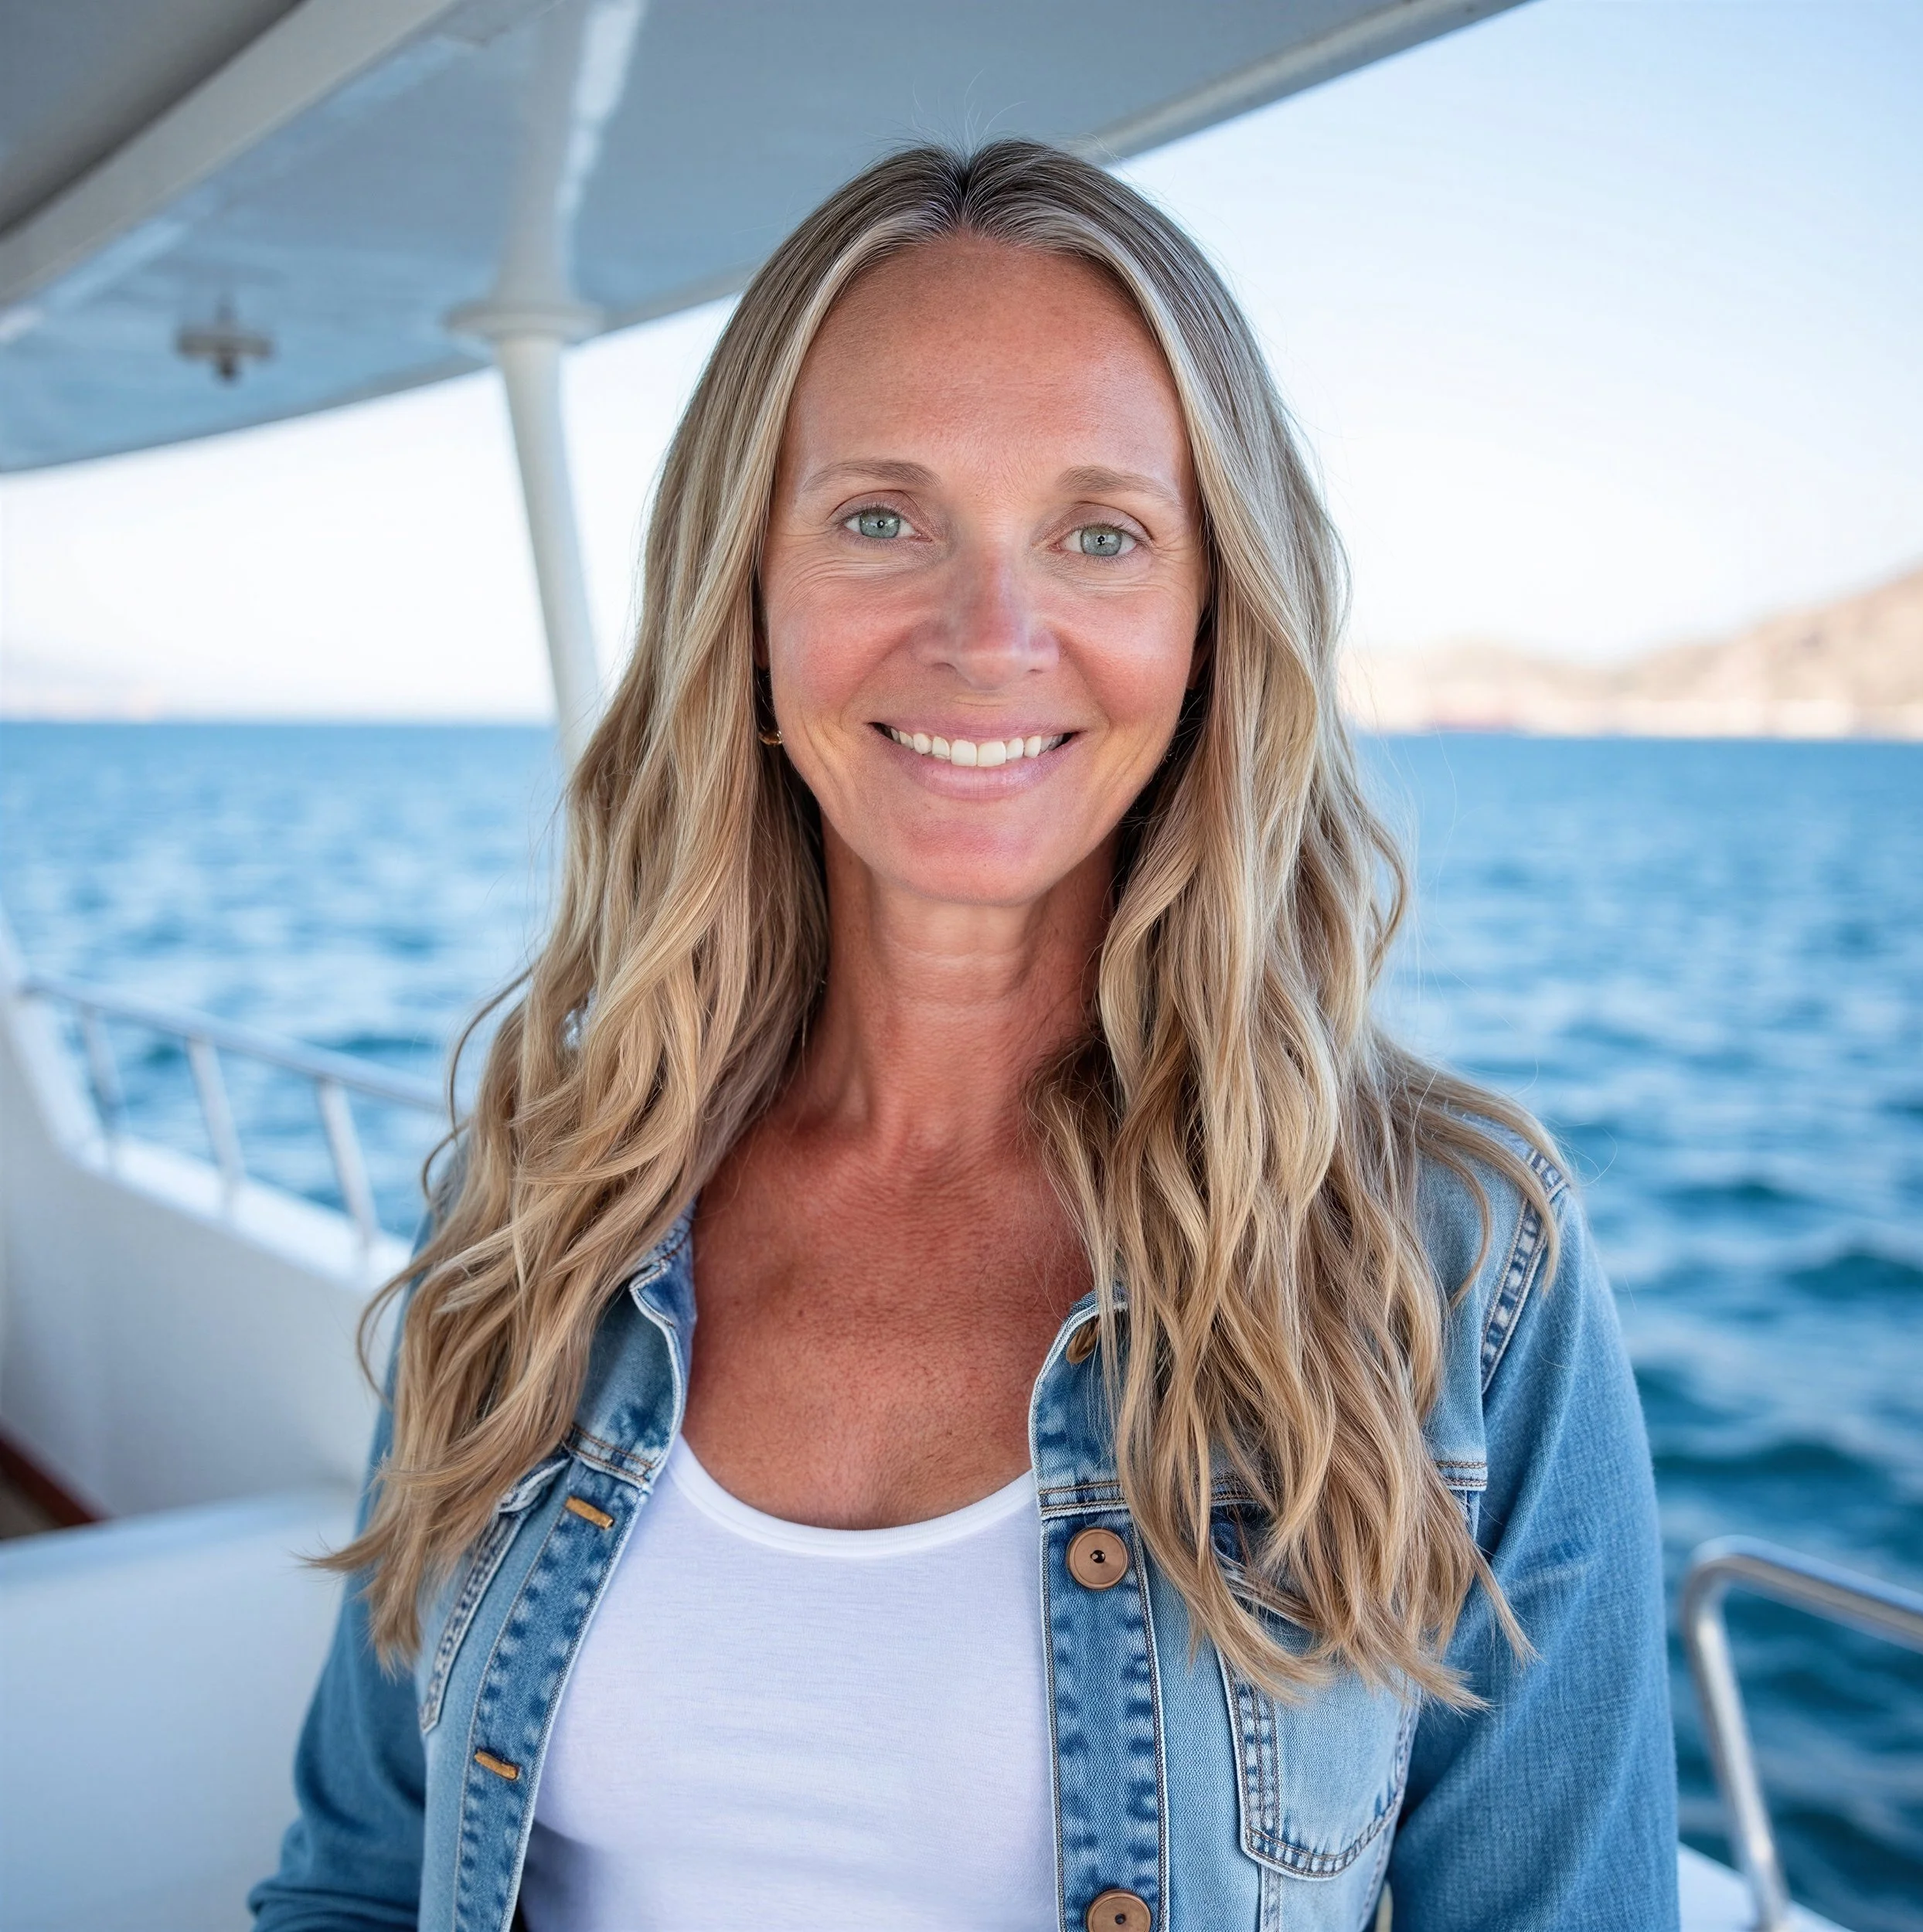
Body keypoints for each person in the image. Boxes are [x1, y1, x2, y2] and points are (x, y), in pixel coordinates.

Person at [251, 139, 1676, 1932]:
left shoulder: (1452, 1260)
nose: (989, 634)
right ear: (743, 590)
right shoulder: (540, 1193)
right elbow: (359, 1881)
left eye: (1098, 533)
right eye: (878, 517)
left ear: (1209, 615)